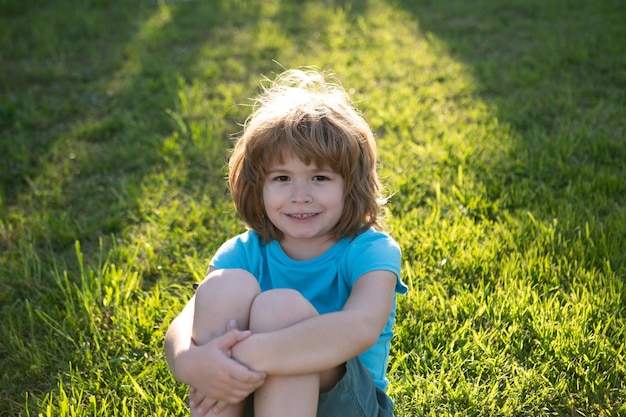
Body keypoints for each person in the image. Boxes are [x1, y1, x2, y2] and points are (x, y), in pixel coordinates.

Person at [164, 67, 408, 417]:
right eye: (282, 178)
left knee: (281, 309)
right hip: (247, 392)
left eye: (319, 177)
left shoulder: (370, 250)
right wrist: (193, 362)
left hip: (346, 405)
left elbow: (360, 327)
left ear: (350, 185)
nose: (300, 196)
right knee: (221, 287)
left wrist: (247, 354)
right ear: (258, 186)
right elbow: (182, 325)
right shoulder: (242, 253)